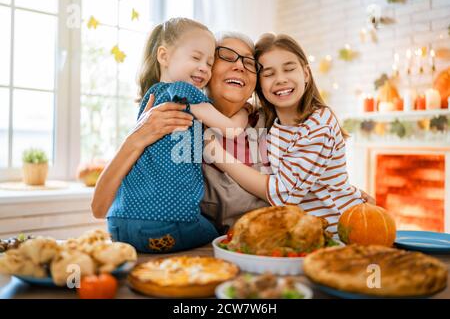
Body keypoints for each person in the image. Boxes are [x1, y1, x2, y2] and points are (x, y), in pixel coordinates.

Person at [96, 18, 253, 253]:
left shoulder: (150, 101)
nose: (204, 68)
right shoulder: (184, 91)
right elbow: (232, 130)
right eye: (196, 58)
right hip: (167, 224)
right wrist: (245, 109)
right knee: (219, 237)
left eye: (209, 62)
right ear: (164, 55)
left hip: (118, 224)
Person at [207, 33, 366, 235]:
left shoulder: (319, 123)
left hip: (338, 233)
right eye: (269, 74)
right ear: (259, 85)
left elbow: (284, 194)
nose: (281, 79)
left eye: (289, 69)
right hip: (301, 236)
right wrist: (242, 111)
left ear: (306, 74)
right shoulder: (272, 123)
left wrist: (215, 153)